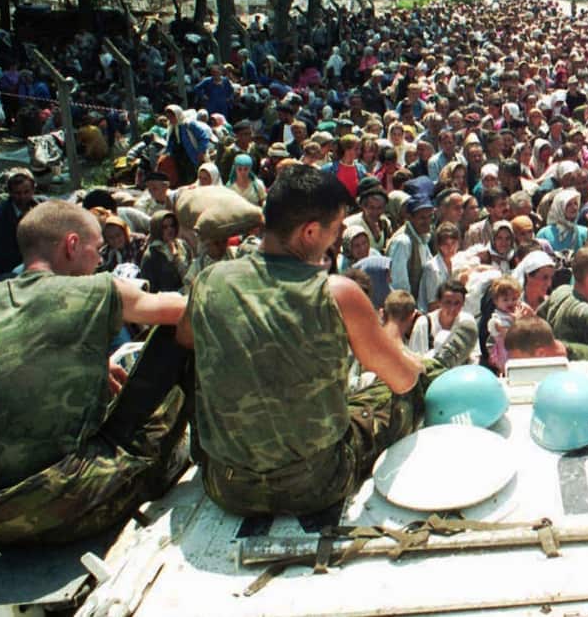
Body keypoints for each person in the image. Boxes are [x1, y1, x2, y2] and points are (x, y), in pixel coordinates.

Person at [180, 165, 476, 516]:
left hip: (226, 486)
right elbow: (401, 379)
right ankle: (440, 363)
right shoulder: (337, 293)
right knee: (399, 391)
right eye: (335, 230)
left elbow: (185, 339)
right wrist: (414, 369)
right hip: (315, 484)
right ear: (309, 232)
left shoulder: (210, 280)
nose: (336, 241)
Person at [0, 200, 190, 543]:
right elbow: (186, 308)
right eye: (96, 249)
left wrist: (92, 362)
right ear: (72, 245)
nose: (100, 260)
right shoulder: (97, 289)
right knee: (178, 336)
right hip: (55, 508)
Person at [0, 169, 43, 277]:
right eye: (17, 193)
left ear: (33, 190)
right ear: (10, 192)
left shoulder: (44, 207)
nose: (22, 197)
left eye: (26, 192)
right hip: (8, 269)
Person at [386, 192, 435, 295]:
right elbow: (399, 285)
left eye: (430, 216)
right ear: (410, 217)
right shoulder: (403, 242)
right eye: (422, 218)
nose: (427, 221)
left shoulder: (422, 236)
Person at [140, 210, 191, 293]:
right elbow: (149, 287)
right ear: (157, 229)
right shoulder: (151, 255)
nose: (170, 229)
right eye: (165, 227)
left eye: (172, 225)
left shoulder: (183, 246)